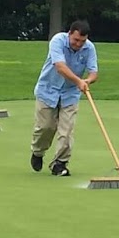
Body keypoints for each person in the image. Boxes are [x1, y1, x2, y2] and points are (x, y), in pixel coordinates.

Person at [30, 20, 98, 176]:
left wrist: (87, 81)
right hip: (47, 90)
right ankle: (38, 152)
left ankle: (60, 164)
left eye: (82, 41)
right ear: (69, 34)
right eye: (76, 40)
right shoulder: (57, 41)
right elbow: (60, 67)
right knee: (45, 127)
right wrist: (78, 80)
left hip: (70, 94)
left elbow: (94, 72)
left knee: (66, 131)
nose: (79, 44)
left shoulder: (89, 48)